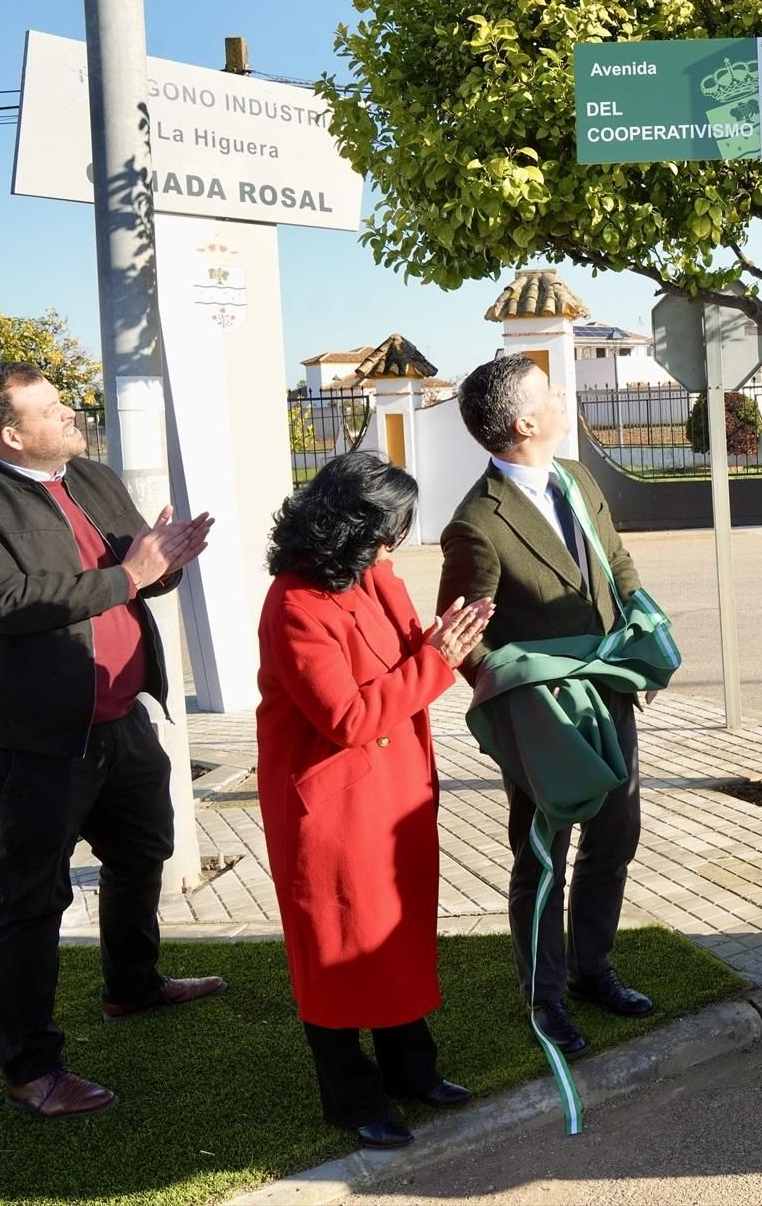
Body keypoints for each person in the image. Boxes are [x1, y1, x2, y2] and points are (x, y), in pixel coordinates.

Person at [0, 362, 221, 1119]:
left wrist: (165, 563)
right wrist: (132, 575)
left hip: (119, 718)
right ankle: (32, 1069)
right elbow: (3, 600)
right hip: (26, 737)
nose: (71, 415)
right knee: (31, 898)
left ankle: (132, 986)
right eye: (51, 410)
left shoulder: (89, 476)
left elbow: (134, 571)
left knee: (143, 850)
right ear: (11, 433)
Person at [256, 452, 493, 1149]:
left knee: (394, 938)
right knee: (336, 954)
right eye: (392, 527)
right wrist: (439, 657)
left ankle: (412, 1073)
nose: (399, 541)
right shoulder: (295, 604)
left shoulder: (375, 574)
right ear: (353, 529)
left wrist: (450, 636)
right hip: (331, 808)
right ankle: (351, 1099)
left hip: (389, 795)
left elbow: (410, 653)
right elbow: (349, 719)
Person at [438, 353, 659, 1057]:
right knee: (541, 852)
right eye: (549, 392)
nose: (562, 397)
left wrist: (635, 635)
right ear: (525, 421)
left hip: (609, 690)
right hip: (544, 716)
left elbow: (615, 563)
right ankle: (545, 999)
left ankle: (594, 969)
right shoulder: (476, 522)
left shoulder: (577, 478)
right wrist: (524, 699)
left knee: (616, 833)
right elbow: (460, 634)